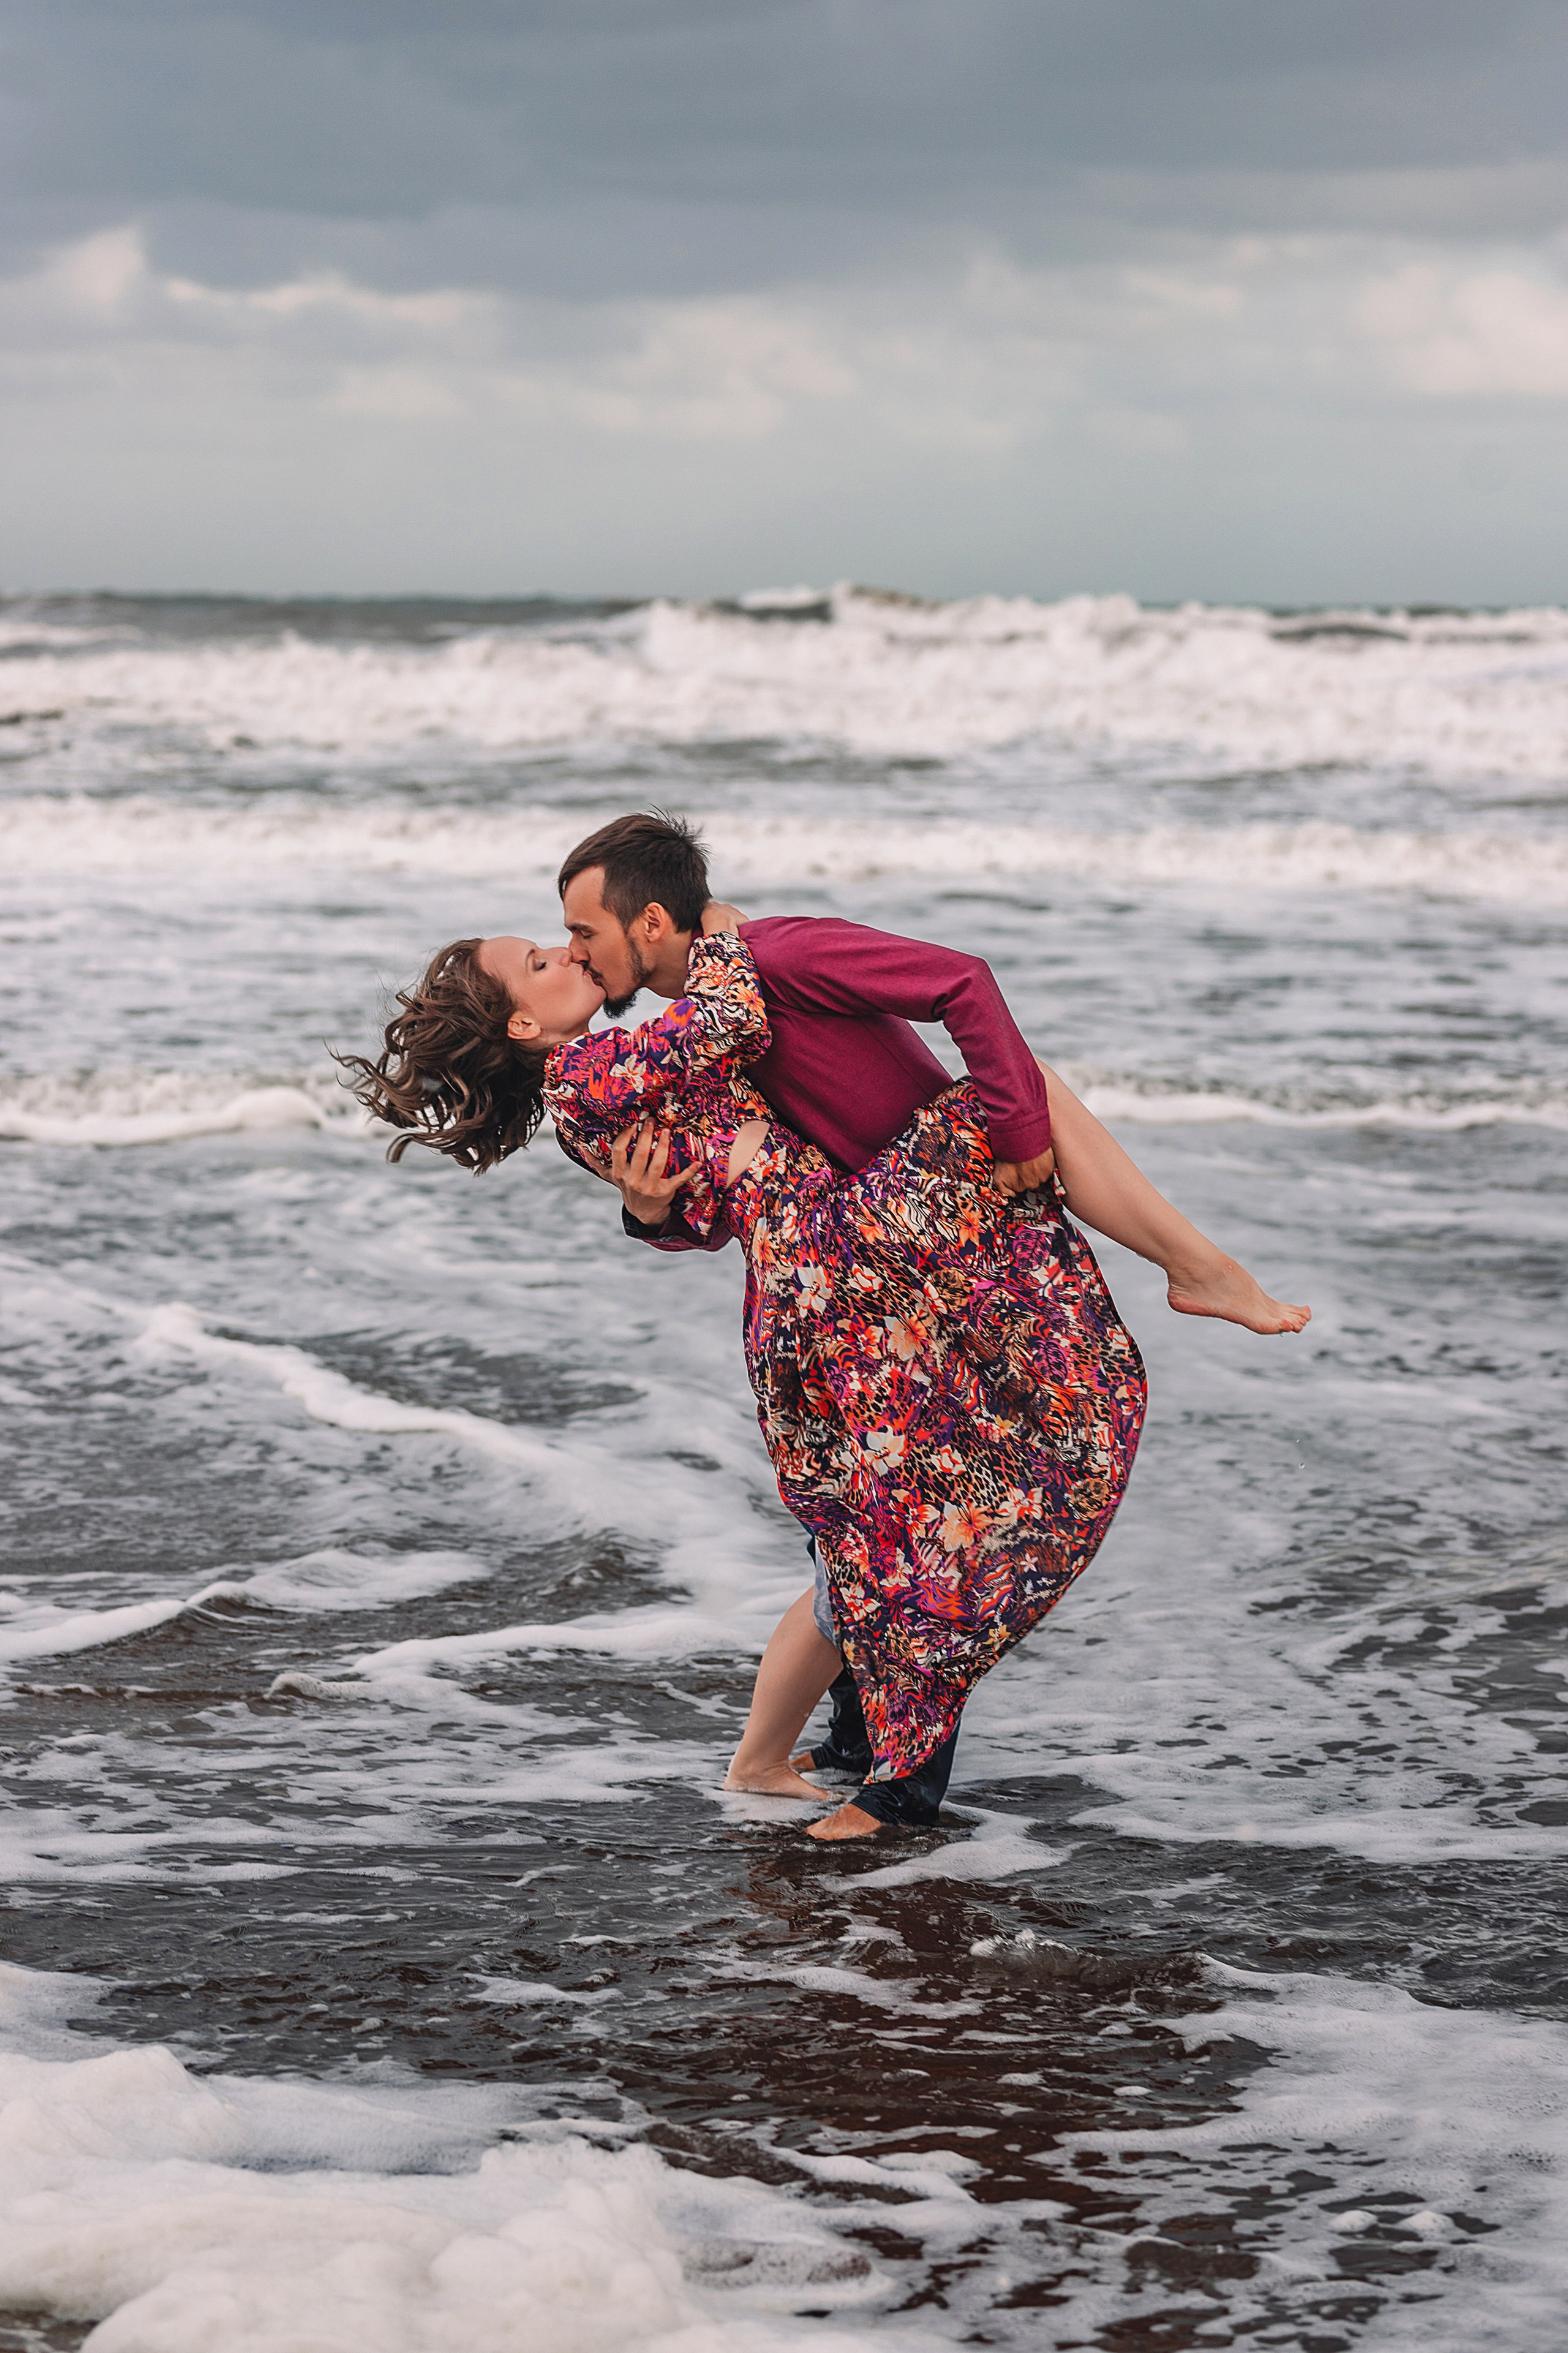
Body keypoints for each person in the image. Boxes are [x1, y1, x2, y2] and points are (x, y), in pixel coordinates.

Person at [339, 869, 1307, 1840]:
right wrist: (721, 932)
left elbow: (704, 1199)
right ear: (519, 1026)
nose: (567, 953)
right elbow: (732, 1021)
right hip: (835, 1258)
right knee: (1015, 1107)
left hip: (809, 1276)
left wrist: (652, 1213)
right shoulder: (591, 1076)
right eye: (541, 958)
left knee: (868, 1544)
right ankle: (1197, 1268)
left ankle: (786, 1757)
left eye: (567, 936)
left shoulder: (601, 1083)